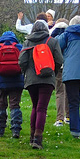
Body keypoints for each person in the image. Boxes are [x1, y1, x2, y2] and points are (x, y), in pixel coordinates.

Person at [18, 20, 63, 149]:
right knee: (42, 108)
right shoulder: (52, 41)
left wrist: (26, 72)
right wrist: (52, 71)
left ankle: (32, 136)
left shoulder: (27, 42)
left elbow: (22, 61)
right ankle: (38, 138)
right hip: (47, 80)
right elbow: (59, 60)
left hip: (32, 80)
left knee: (35, 106)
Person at [0, 30, 24, 138]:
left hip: (1, 80)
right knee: (14, 105)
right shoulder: (18, 47)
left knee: (1, 103)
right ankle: (16, 130)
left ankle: (0, 130)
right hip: (16, 80)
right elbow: (24, 62)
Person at [50, 18, 70, 127]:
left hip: (58, 66)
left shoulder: (53, 35)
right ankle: (68, 117)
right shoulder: (71, 35)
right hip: (69, 66)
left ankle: (59, 119)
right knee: (69, 92)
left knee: (59, 92)